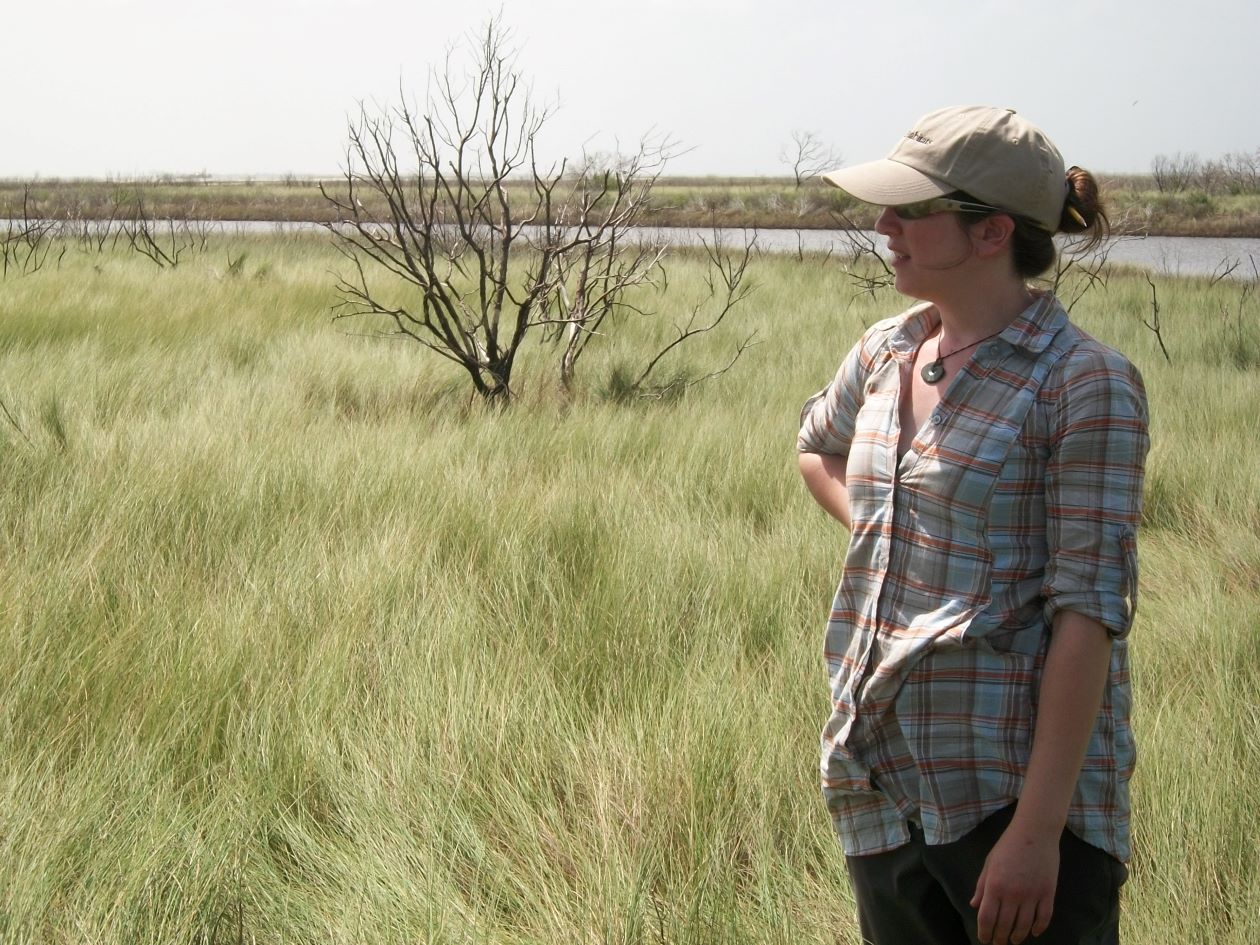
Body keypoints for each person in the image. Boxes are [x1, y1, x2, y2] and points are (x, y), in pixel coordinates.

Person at [796, 105, 1149, 945]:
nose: (884, 225)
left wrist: (1035, 835)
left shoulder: (1082, 383)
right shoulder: (888, 351)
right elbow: (817, 448)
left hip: (1011, 801)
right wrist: (893, 531)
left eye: (911, 210)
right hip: (880, 782)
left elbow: (1088, 614)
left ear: (992, 233)